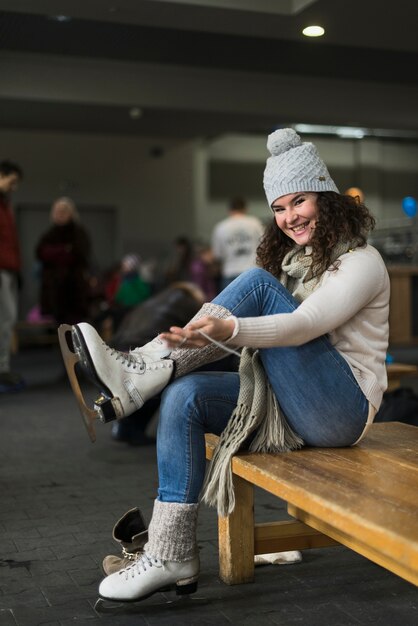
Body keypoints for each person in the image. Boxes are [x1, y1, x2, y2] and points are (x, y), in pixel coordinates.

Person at [59, 128, 390, 603]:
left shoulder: (363, 261)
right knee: (183, 397)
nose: (289, 217)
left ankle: (142, 370)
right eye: (278, 208)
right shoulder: (300, 264)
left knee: (255, 283)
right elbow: (272, 349)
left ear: (328, 198)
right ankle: (172, 552)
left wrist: (228, 331)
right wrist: (208, 338)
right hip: (294, 401)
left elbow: (303, 326)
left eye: (299, 201)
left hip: (342, 412)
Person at [36, 197, 91, 325]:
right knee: (57, 326)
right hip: (54, 290)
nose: (60, 214)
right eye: (57, 211)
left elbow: (78, 253)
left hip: (74, 289)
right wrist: (63, 250)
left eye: (64, 211)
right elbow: (40, 253)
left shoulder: (79, 233)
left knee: (75, 325)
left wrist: (55, 253)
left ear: (71, 213)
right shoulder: (48, 234)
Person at [0, 160, 25, 393]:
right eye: (12, 181)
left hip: (7, 271)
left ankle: (3, 367)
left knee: (6, 321)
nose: (13, 187)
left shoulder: (5, 206)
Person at [211, 195, 265, 289]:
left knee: (228, 303)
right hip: (252, 270)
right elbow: (265, 245)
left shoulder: (221, 227)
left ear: (229, 209)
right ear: (245, 208)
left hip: (230, 273)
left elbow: (217, 255)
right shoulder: (255, 223)